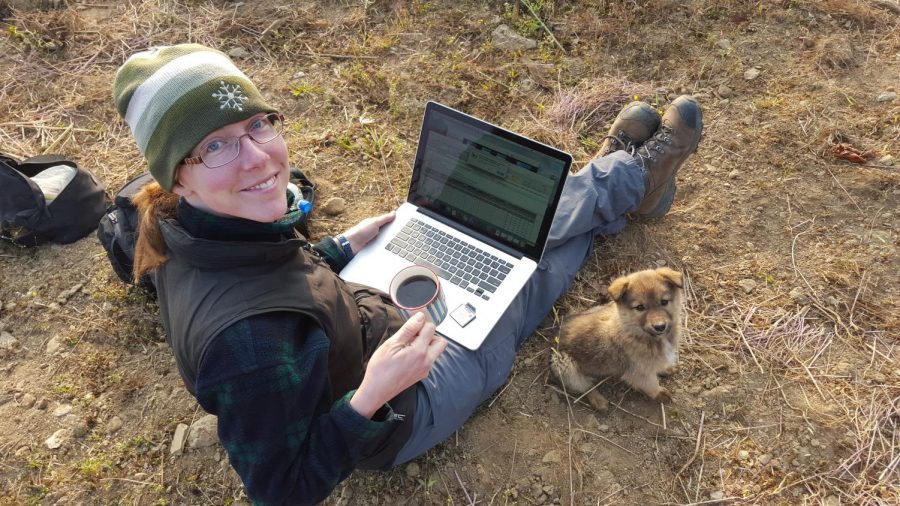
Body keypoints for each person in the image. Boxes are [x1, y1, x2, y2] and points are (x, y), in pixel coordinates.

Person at [112, 43, 702, 505]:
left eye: (258, 125)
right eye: (215, 147)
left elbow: (271, 277)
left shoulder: (186, 226)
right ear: (177, 173)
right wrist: (372, 395)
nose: (259, 158)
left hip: (363, 312)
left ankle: (611, 181)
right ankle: (626, 180)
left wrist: (339, 249)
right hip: (405, 405)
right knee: (522, 272)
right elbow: (280, 488)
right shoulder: (248, 346)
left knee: (494, 239)